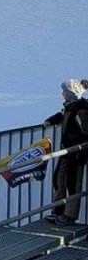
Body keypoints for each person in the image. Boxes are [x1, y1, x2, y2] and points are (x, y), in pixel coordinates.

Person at [44, 80, 88, 226]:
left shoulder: (81, 110)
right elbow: (63, 115)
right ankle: (58, 211)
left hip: (76, 153)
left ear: (71, 94)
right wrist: (51, 120)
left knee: (72, 184)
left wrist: (80, 145)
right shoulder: (70, 107)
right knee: (58, 179)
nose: (62, 94)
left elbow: (86, 129)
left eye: (65, 92)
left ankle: (69, 215)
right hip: (65, 151)